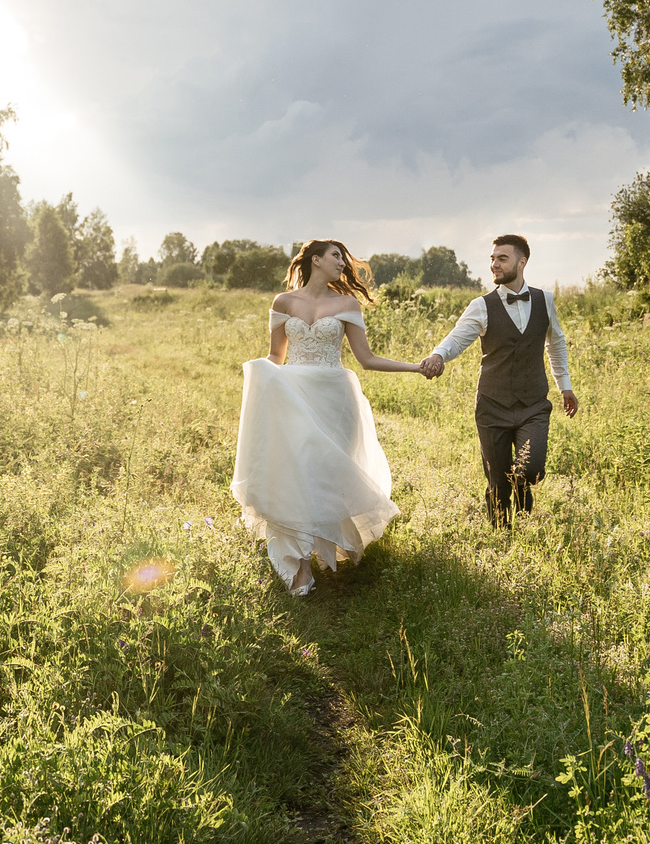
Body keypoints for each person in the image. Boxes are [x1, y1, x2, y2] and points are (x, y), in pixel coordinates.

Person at [232, 238, 432, 594]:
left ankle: (322, 547)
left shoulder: (346, 303)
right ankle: (302, 564)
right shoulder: (283, 302)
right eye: (336, 256)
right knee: (299, 472)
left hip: (336, 398)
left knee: (325, 476)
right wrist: (257, 379)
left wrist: (415, 368)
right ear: (316, 259)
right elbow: (276, 357)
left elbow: (366, 359)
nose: (343, 263)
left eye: (343, 257)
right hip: (294, 397)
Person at [420, 233, 578, 524]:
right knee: (497, 481)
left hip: (533, 404)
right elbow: (456, 339)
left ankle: (524, 493)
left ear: (522, 261)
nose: (494, 264)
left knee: (531, 470)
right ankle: (501, 535)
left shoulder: (545, 300)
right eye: (492, 259)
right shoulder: (481, 305)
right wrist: (438, 355)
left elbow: (555, 343)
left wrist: (564, 386)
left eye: (502, 258)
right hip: (492, 405)